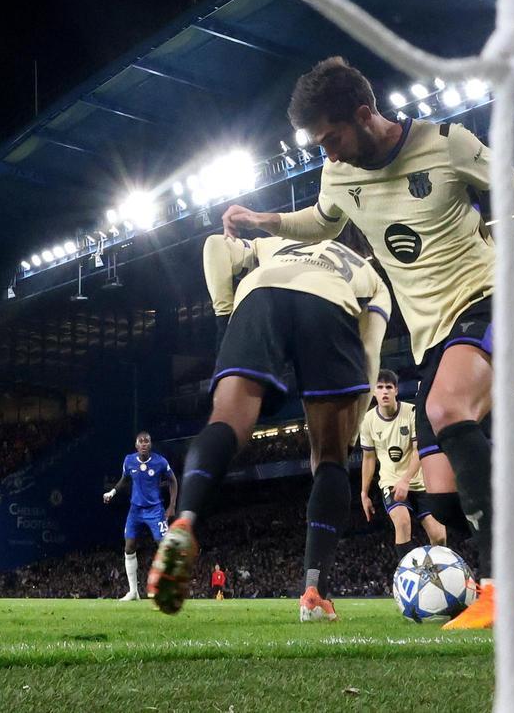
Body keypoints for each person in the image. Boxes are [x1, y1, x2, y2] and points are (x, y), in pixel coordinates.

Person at [221, 56, 514, 629]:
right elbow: (323, 222)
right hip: (432, 340)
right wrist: (266, 221)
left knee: (447, 409)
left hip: (489, 304)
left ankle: (501, 591)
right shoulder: (338, 177)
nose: (328, 153)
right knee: (444, 499)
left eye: (332, 138)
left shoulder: (446, 144)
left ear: (364, 112)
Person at [148, 233, 391, 622]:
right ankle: (314, 591)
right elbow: (369, 351)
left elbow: (213, 245)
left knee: (226, 419)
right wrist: (354, 419)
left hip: (260, 294)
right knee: (329, 458)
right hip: (331, 303)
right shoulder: (370, 276)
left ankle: (185, 520)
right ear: (366, 249)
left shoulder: (276, 242)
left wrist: (224, 321)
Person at [359, 369, 447, 561]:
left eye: (388, 387)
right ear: (374, 392)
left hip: (419, 481)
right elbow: (368, 458)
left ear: (396, 391)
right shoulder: (367, 421)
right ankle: (407, 577)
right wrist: (364, 493)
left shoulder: (411, 412)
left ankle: (440, 577)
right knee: (402, 522)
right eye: (380, 387)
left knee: (439, 535)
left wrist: (406, 480)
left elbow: (418, 450)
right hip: (390, 482)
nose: (384, 392)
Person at [102, 431, 177, 601]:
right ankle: (133, 592)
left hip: (155, 510)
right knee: (129, 547)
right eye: (140, 441)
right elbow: (124, 479)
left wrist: (171, 506)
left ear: (150, 445)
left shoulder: (160, 462)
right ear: (136, 445)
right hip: (135, 510)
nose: (144, 444)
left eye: (147, 441)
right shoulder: (129, 460)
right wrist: (112, 492)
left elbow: (173, 480)